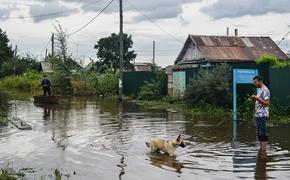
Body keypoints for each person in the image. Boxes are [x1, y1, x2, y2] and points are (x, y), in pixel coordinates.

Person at [251, 75, 270, 152]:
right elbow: (259, 101)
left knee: (263, 133)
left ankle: (263, 151)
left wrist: (256, 98)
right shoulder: (260, 90)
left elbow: (267, 103)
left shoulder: (265, 90)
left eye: (255, 82)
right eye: (254, 82)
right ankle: (261, 150)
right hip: (258, 115)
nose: (254, 84)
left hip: (262, 115)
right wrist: (255, 98)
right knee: (259, 133)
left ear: (260, 81)